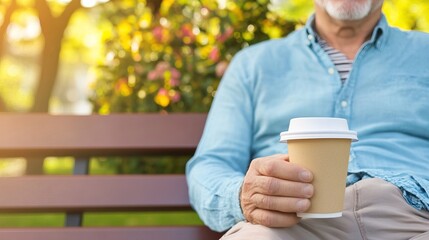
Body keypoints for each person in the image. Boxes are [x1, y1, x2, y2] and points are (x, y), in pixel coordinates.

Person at [186, 0, 429, 239]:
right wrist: (242, 195)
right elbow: (211, 165)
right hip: (288, 223)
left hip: (416, 216)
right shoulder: (252, 66)